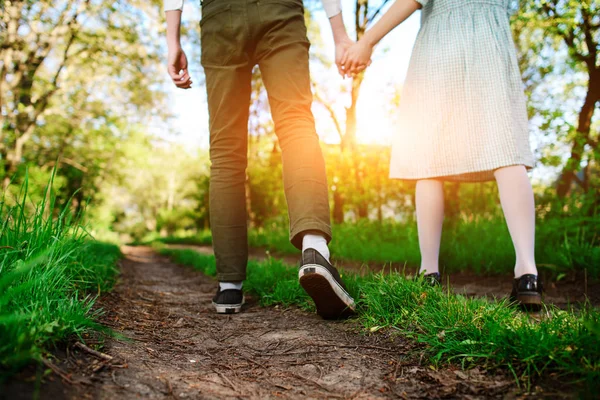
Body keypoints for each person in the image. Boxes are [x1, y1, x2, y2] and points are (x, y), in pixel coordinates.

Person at [339, 0, 543, 310]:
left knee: (429, 157)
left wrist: (366, 42)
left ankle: (428, 273)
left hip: (441, 43)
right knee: (506, 146)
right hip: (492, 39)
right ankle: (527, 273)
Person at [164, 0, 357, 318]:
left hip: (221, 16)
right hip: (279, 11)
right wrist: (339, 35)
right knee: (296, 126)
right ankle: (315, 250)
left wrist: (173, 39)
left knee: (226, 151)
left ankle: (230, 285)